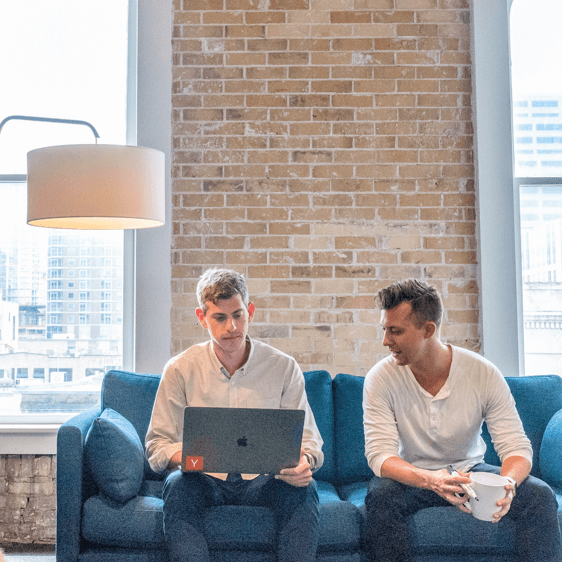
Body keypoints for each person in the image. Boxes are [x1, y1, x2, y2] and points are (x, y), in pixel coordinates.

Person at [363, 278, 561, 562]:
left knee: (539, 495)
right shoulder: (380, 378)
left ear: (428, 330)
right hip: (414, 477)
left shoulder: (483, 373)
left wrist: (506, 484)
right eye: (385, 330)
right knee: (381, 497)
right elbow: (379, 456)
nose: (385, 341)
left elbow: (516, 446)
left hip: (470, 473)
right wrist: (432, 480)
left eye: (395, 331)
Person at [146, 268, 324, 562]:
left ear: (250, 312)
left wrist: (304, 462)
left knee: (306, 489)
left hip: (265, 479)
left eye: (238, 315)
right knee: (177, 486)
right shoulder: (180, 369)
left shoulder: (283, 367)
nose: (232, 326)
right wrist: (189, 455)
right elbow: (156, 446)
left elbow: (310, 442)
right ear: (202, 318)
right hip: (204, 478)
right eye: (220, 317)